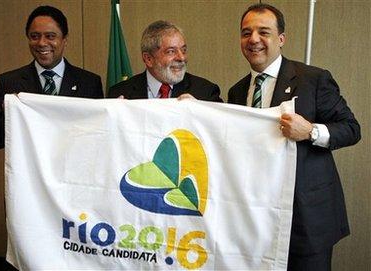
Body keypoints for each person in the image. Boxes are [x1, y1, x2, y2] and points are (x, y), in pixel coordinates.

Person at [228, 3, 361, 271]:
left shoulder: (313, 79)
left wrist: (310, 131)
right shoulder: (237, 91)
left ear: (281, 39)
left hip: (307, 220)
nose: (253, 39)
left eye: (263, 32)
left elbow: (351, 128)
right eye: (246, 32)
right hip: (256, 220)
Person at [0, 5, 104, 151]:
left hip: (74, 170)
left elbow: (100, 136)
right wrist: (11, 114)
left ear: (65, 39)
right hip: (29, 172)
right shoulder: (10, 82)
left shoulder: (89, 83)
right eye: (35, 36)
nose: (41, 43)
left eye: (50, 36)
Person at [107, 20, 222, 102]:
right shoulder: (119, 93)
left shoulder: (205, 92)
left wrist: (200, 112)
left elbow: (221, 131)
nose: (181, 58)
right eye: (171, 51)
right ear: (148, 59)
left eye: (184, 50)